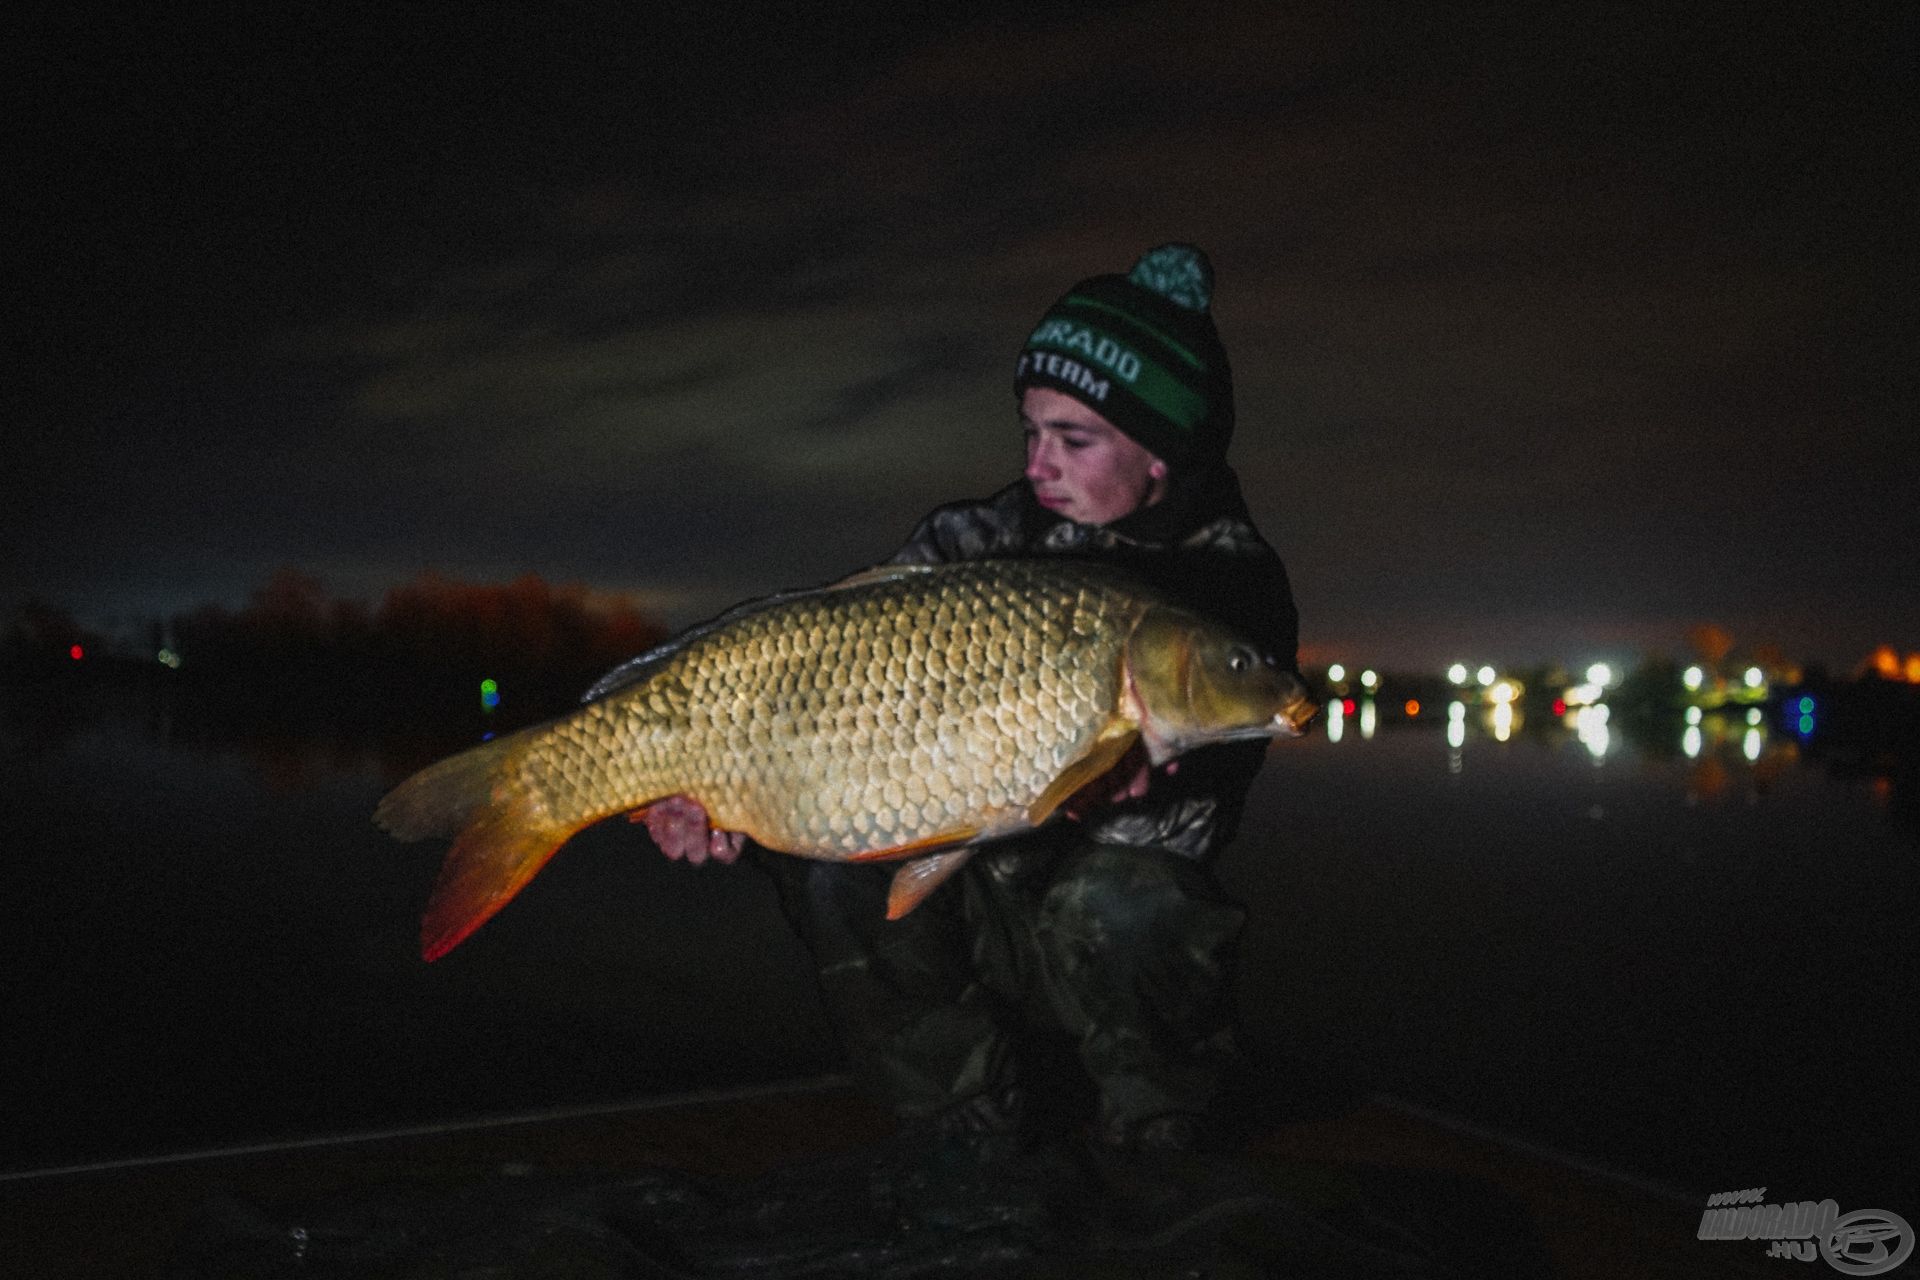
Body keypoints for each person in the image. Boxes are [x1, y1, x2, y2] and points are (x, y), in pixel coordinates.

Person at [636, 244, 1300, 1164]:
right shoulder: (969, 544)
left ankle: (1158, 1127)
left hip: (1094, 944)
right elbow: (820, 710)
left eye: (1075, 439)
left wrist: (1127, 792)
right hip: (960, 916)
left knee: (1133, 901)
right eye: (1030, 431)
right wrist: (707, 785)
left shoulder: (1226, 588)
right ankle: (964, 1123)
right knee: (832, 869)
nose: (1038, 464)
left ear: (1162, 456)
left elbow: (1194, 824)